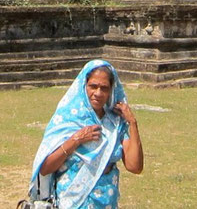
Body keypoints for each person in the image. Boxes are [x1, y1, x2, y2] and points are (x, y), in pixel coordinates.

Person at [28, 59, 144, 209]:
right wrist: (76, 140)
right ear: (84, 86)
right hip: (72, 201)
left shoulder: (115, 124)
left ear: (111, 91)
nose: (98, 93)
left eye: (104, 88)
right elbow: (45, 168)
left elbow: (135, 166)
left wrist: (133, 124)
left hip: (106, 200)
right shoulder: (67, 119)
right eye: (93, 86)